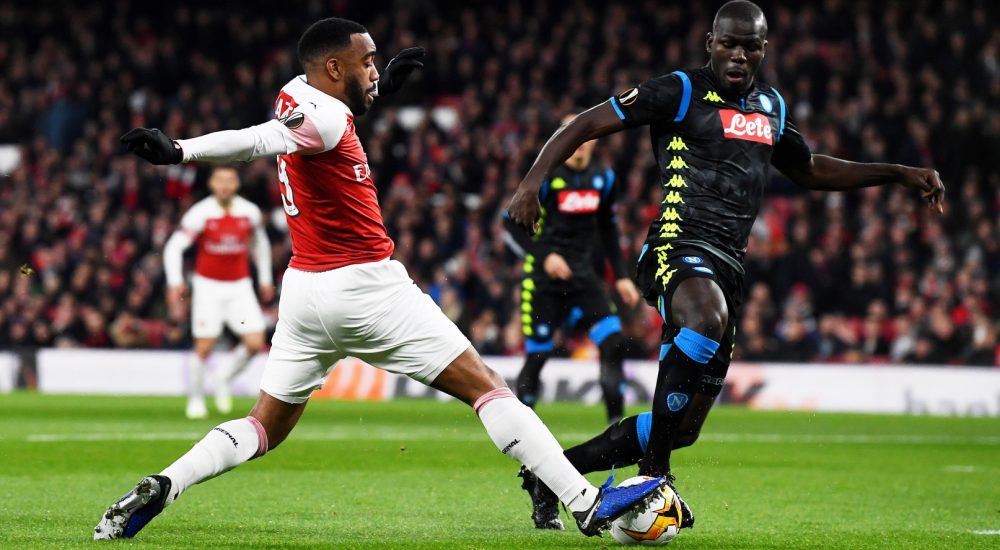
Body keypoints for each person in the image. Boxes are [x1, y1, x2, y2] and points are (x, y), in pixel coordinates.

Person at [94, 17, 665, 541]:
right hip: (366, 287)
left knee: (263, 426)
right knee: (487, 387)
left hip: (305, 292)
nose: (376, 69)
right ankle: (585, 501)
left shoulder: (297, 91)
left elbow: (303, 122)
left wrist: (376, 92)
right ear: (333, 67)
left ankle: (166, 484)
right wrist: (181, 151)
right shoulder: (322, 118)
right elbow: (259, 140)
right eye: (367, 62)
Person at [507, 0, 945, 531]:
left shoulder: (770, 106)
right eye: (729, 43)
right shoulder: (679, 90)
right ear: (710, 43)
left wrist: (896, 172)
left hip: (728, 266)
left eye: (750, 46)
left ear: (764, 49)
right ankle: (655, 475)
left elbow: (810, 170)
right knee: (705, 319)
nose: (738, 54)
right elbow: (586, 123)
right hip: (675, 246)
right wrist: (531, 183)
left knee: (683, 426)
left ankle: (550, 475)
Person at [504, 113, 640, 431]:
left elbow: (608, 228)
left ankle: (615, 429)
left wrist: (622, 275)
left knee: (613, 342)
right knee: (538, 356)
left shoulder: (604, 178)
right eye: (569, 133)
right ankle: (522, 431)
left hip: (583, 278)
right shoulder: (544, 178)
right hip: (543, 280)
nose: (577, 142)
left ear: (593, 140)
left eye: (583, 135)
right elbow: (510, 224)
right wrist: (546, 256)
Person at [162, 165, 274, 419]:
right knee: (205, 346)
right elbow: (174, 247)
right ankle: (195, 399)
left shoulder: (249, 212)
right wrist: (175, 281)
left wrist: (265, 278)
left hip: (240, 285)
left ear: (236, 184)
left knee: (255, 342)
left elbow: (260, 244)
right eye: (219, 180)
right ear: (212, 184)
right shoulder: (201, 213)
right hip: (208, 287)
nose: (224, 185)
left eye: (229, 180)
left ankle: (223, 377)